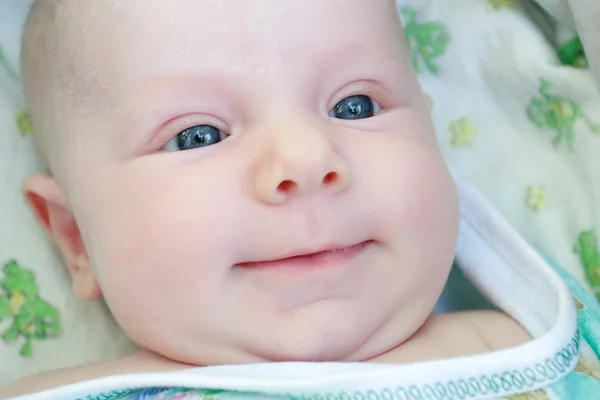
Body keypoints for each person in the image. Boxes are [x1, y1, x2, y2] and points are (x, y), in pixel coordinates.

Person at [2, 1, 599, 399]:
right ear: (76, 238)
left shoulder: (552, 343)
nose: (306, 159)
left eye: (355, 105)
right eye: (198, 135)